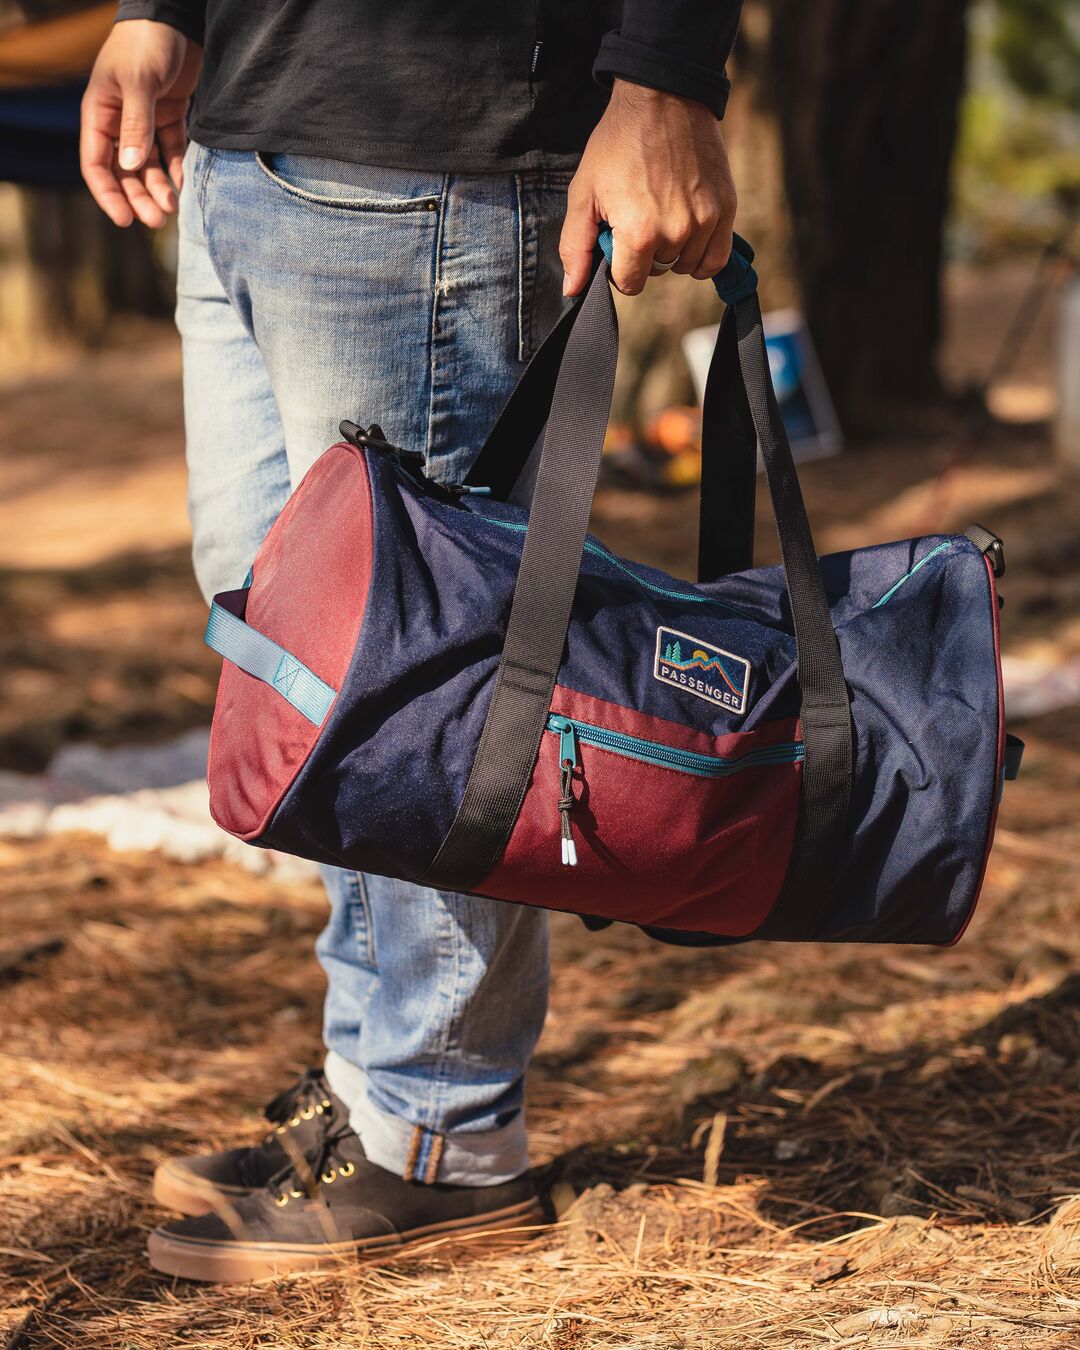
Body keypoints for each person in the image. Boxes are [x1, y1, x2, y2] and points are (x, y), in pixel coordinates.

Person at [81, 0, 742, 1282]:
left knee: (419, 687)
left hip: (438, 151)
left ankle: (443, 1135)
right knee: (307, 675)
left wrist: (667, 72)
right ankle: (375, 1082)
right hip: (249, 131)